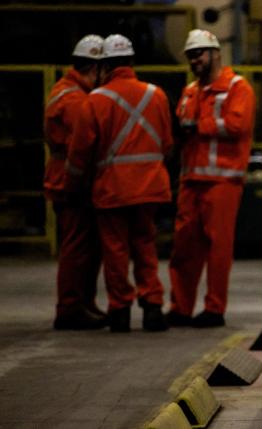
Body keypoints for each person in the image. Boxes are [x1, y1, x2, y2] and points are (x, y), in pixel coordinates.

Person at [65, 34, 173, 333]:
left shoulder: (96, 100)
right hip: (151, 186)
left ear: (105, 66)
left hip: (112, 189)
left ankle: (120, 310)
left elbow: (80, 153)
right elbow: (166, 143)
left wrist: (73, 184)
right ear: (131, 62)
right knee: (145, 246)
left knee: (115, 251)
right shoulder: (157, 95)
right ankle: (152, 306)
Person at [166, 29, 256, 328]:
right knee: (183, 248)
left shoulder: (237, 87)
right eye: (191, 56)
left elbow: (237, 124)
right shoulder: (191, 91)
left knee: (218, 249)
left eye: (199, 54)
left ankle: (214, 309)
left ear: (216, 53)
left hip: (222, 181)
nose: (194, 60)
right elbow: (182, 125)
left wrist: (197, 126)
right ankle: (180, 307)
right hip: (191, 179)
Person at [45, 34, 107, 330]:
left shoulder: (70, 91)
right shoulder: (74, 99)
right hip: (70, 183)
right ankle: (69, 307)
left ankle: (84, 302)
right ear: (93, 69)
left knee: (87, 247)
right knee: (76, 247)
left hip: (71, 180)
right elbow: (79, 148)